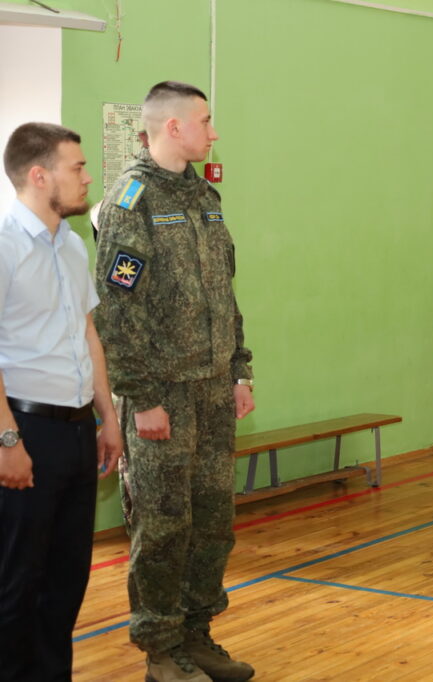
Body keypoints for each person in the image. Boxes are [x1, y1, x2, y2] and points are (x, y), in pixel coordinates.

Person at [94, 81, 255, 682]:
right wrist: (142, 398)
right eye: (206, 121)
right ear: (173, 127)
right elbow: (117, 309)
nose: (214, 132)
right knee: (161, 527)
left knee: (213, 521)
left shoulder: (205, 198)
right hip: (162, 395)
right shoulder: (129, 201)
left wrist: (239, 368)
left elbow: (224, 293)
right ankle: (161, 651)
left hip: (214, 389)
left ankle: (198, 634)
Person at [0, 122, 121, 681]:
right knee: (15, 582)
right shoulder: (2, 245)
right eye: (77, 168)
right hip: (23, 430)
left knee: (66, 580)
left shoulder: (72, 245)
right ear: (38, 174)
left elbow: (87, 333)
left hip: (75, 433)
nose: (88, 178)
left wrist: (108, 416)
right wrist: (6, 441)